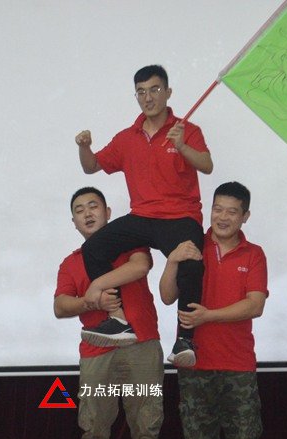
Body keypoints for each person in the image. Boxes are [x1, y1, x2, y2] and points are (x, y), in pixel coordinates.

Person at [75, 64, 213, 367]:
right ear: (136, 96)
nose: (148, 97)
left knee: (191, 261)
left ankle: (185, 340)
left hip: (181, 217)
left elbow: (206, 165)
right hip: (142, 216)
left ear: (168, 92)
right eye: (141, 92)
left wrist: (181, 146)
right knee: (94, 247)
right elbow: (91, 166)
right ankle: (119, 319)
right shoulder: (127, 138)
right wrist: (84, 147)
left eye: (154, 89)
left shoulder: (187, 130)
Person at [159, 181, 268, 439]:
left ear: (245, 216)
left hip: (238, 360)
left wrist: (209, 316)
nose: (222, 217)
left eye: (232, 211)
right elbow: (166, 296)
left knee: (243, 430)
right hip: (193, 359)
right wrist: (172, 261)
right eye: (217, 209)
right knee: (200, 430)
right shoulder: (193, 247)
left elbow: (255, 305)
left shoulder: (254, 254)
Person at [54, 186, 164, 439]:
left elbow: (140, 267)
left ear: (108, 212)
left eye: (93, 206)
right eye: (79, 210)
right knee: (94, 426)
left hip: (141, 346)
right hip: (96, 353)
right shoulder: (71, 262)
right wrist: (92, 302)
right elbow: (60, 306)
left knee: (146, 423)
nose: (87, 213)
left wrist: (95, 285)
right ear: (74, 221)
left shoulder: (129, 245)